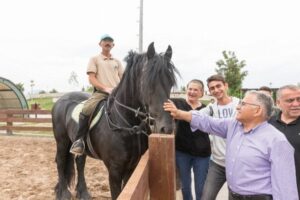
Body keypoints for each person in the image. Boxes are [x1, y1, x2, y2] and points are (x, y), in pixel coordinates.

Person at [164, 90, 299, 199]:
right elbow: (208, 122)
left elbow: (285, 189)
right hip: (234, 195)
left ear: (257, 111)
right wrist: (179, 113)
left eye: (243, 104)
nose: (238, 107)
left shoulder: (276, 141)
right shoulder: (234, 125)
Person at [70, 34, 124, 155]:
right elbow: (92, 79)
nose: (108, 42)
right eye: (105, 40)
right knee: (87, 108)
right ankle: (79, 141)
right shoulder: (94, 59)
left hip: (116, 94)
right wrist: (106, 88)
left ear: (113, 45)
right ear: (100, 44)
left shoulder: (117, 62)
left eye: (110, 41)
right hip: (101, 93)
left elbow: (123, 78)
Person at [199, 74, 240, 200]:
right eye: (212, 88)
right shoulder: (210, 108)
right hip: (217, 164)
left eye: (218, 86)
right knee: (206, 197)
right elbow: (193, 116)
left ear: (226, 85)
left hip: (238, 164)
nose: (216, 90)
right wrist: (176, 113)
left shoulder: (240, 104)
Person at [172, 79, 211, 200]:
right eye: (190, 89)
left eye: (196, 90)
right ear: (186, 90)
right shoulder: (177, 104)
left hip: (202, 154)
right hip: (182, 152)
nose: (192, 92)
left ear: (201, 93)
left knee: (201, 188)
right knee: (185, 187)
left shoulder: (207, 109)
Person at [269, 84, 300, 199]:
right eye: (290, 100)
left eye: (299, 99)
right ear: (278, 103)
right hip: (273, 190)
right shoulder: (268, 124)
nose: (296, 104)